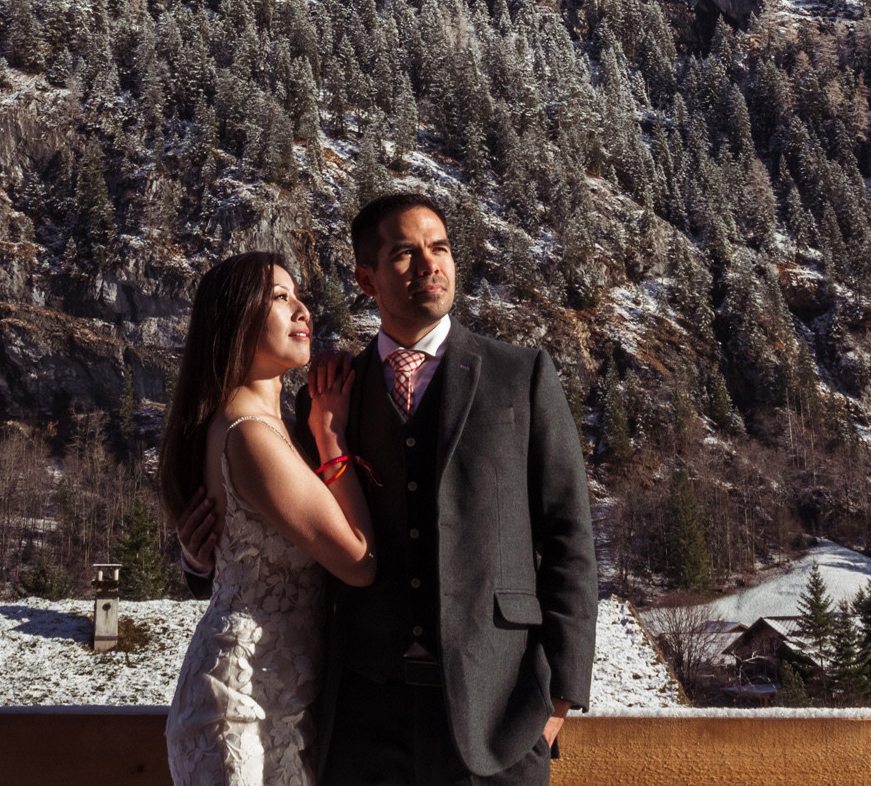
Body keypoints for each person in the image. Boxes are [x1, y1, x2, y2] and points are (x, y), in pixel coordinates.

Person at [180, 195, 597, 786]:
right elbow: (277, 524)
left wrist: (560, 699)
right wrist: (200, 560)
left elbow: (569, 538)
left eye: (441, 248)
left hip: (497, 719)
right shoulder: (328, 396)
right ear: (366, 279)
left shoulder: (521, 376)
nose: (430, 264)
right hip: (360, 723)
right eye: (405, 253)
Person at [164, 251, 377, 786]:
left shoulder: (267, 425)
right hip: (241, 706)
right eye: (281, 298)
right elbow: (358, 561)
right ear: (235, 320)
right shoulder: (252, 435)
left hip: (277, 694)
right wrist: (331, 436)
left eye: (298, 296)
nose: (303, 309)